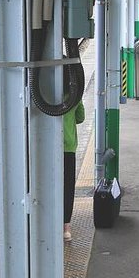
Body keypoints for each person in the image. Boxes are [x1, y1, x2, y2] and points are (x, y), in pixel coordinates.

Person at [63, 100, 85, 242]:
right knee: (67, 187)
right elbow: (80, 118)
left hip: (47, 146)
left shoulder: (44, 92)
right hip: (68, 146)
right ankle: (66, 227)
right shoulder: (74, 95)